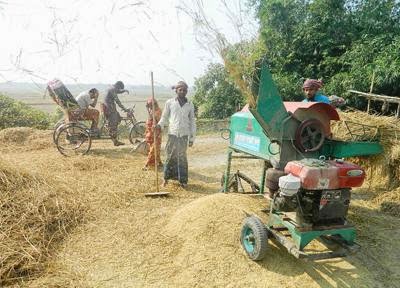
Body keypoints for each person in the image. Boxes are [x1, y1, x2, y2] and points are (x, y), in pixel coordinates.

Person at [156, 81, 196, 188]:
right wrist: (159, 125)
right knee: (170, 157)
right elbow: (164, 117)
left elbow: (192, 121)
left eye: (184, 90)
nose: (182, 92)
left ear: (186, 91)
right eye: (180, 90)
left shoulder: (190, 104)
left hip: (183, 136)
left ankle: (183, 181)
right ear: (176, 91)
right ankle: (165, 179)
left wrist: (192, 138)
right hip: (172, 134)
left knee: (182, 158)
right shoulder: (170, 103)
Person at [102, 81, 129, 146]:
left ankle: (114, 138)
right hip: (110, 109)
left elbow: (117, 91)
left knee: (118, 118)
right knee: (114, 123)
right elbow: (117, 101)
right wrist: (124, 108)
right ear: (118, 86)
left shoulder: (111, 88)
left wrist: (123, 91)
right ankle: (114, 140)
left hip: (109, 108)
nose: (119, 90)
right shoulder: (112, 89)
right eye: (119, 88)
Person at [143, 98, 163, 170]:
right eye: (149, 105)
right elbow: (150, 118)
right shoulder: (152, 110)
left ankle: (147, 164)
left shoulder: (158, 111)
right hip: (150, 133)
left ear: (155, 104)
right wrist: (148, 109)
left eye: (151, 105)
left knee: (153, 150)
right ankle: (160, 162)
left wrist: (154, 118)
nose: (150, 107)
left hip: (156, 133)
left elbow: (159, 122)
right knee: (155, 149)